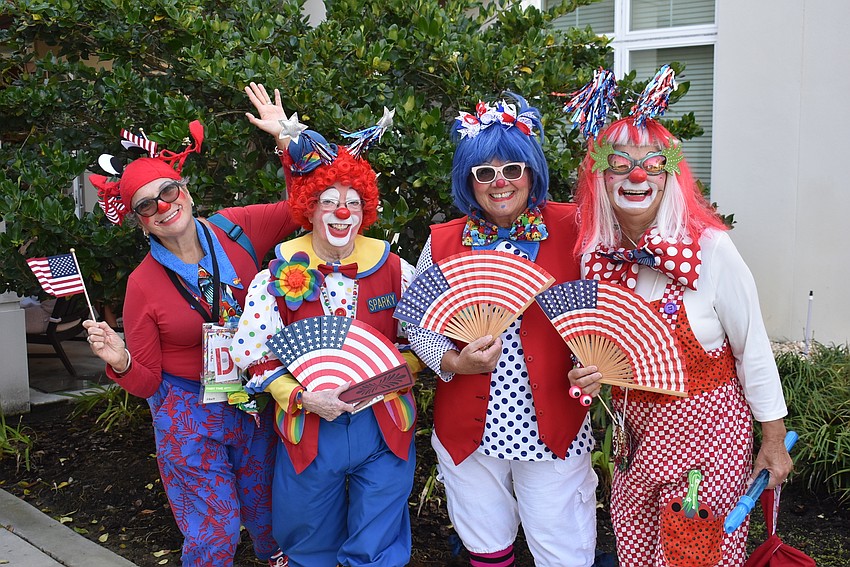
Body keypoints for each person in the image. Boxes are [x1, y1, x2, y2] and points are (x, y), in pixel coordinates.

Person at [567, 69, 793, 566]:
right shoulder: (594, 257)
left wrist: (773, 440)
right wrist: (588, 376)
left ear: (670, 175)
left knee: (698, 557)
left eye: (651, 164)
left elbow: (752, 348)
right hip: (633, 441)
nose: (636, 176)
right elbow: (595, 349)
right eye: (620, 165)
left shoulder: (712, 250)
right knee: (637, 552)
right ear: (600, 177)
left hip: (707, 446)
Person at [82, 83, 299, 567]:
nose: (163, 205)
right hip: (187, 414)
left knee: (273, 524)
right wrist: (120, 361)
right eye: (146, 205)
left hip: (254, 398)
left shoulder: (237, 227)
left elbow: (304, 205)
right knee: (214, 532)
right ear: (139, 222)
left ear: (185, 189)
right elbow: (147, 381)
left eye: (168, 191)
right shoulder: (143, 284)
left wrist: (286, 137)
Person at [407, 95, 598, 567]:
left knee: (563, 545)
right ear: (468, 181)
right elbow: (416, 320)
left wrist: (596, 366)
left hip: (555, 420)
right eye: (485, 173)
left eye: (512, 168)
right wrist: (452, 361)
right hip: (470, 423)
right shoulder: (444, 241)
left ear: (532, 171)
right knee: (485, 541)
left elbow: (604, 309)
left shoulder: (575, 228)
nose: (500, 183)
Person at [230, 109, 420, 567]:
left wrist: (370, 386)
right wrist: (303, 398)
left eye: (353, 202)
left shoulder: (397, 270)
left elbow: (427, 349)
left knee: (378, 538)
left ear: (364, 212)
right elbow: (253, 356)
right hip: (309, 428)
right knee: (306, 533)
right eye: (330, 201)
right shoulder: (274, 277)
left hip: (385, 426)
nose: (342, 212)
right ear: (309, 208)